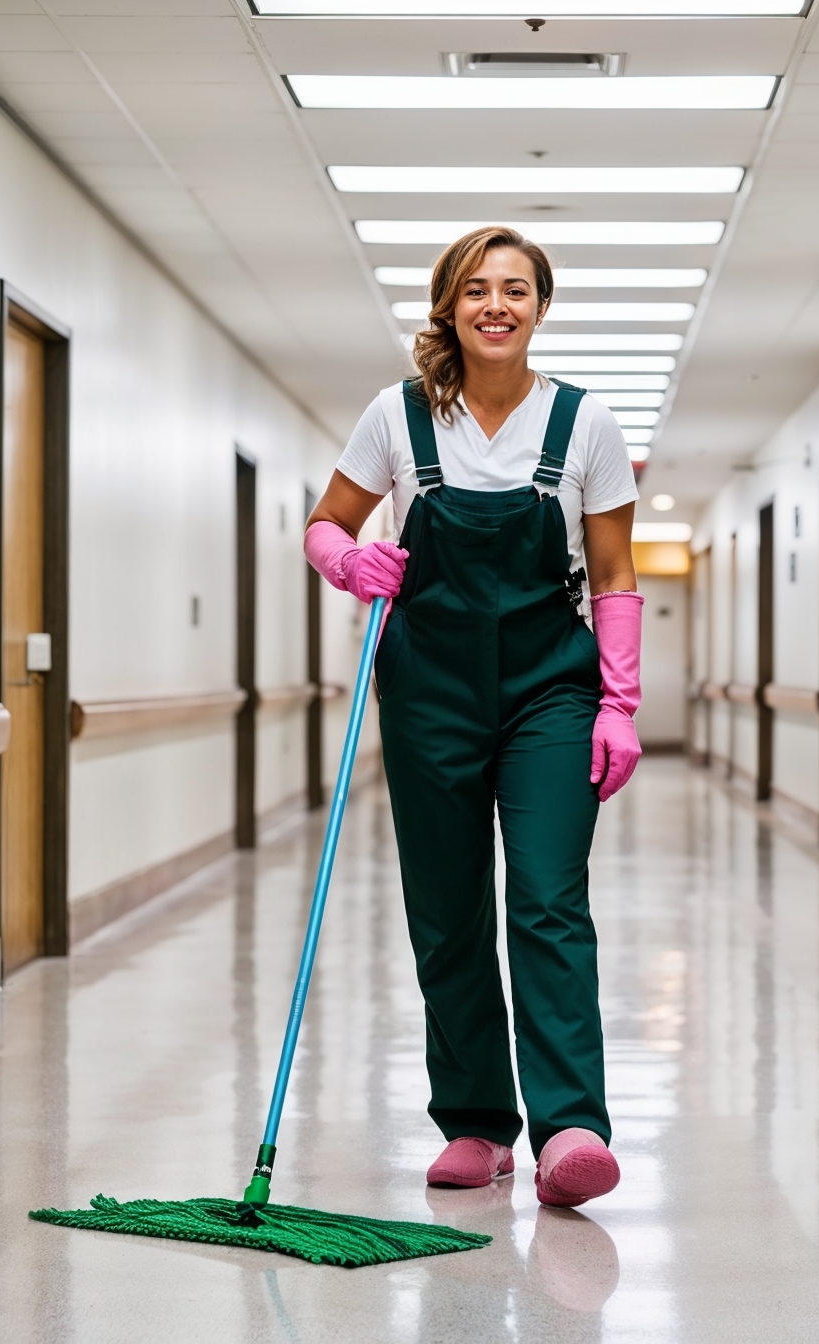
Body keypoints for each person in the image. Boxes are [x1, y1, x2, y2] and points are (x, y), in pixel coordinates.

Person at [304, 225, 642, 1209]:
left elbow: (614, 574)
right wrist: (344, 559)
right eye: (476, 289)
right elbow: (327, 520)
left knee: (545, 897)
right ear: (449, 305)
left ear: (541, 306)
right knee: (446, 908)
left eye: (516, 289)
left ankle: (570, 1123)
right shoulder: (395, 417)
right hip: (429, 691)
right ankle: (476, 1122)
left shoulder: (582, 424)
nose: (496, 304)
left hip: (550, 689)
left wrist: (618, 702)